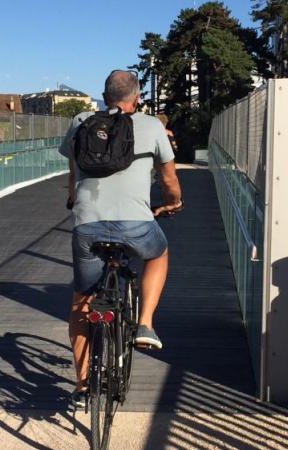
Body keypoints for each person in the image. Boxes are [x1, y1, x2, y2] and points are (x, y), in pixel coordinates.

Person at [58, 70, 183, 406]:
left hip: (88, 225)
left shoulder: (82, 121)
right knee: (158, 254)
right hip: (136, 225)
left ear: (104, 95)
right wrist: (173, 203)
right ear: (137, 97)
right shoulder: (151, 125)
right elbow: (170, 179)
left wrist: (73, 197)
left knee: (81, 302)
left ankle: (84, 384)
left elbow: (73, 168)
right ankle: (145, 324)